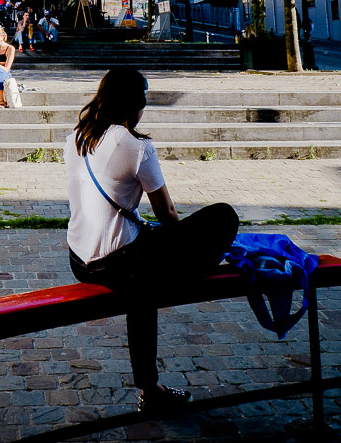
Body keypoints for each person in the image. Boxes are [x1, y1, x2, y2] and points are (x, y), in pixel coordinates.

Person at [65, 68, 239, 418]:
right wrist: (193, 251)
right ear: (135, 104)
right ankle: (151, 387)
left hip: (79, 260)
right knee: (223, 216)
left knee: (143, 275)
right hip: (119, 261)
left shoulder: (76, 138)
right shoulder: (137, 146)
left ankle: (151, 386)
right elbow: (169, 215)